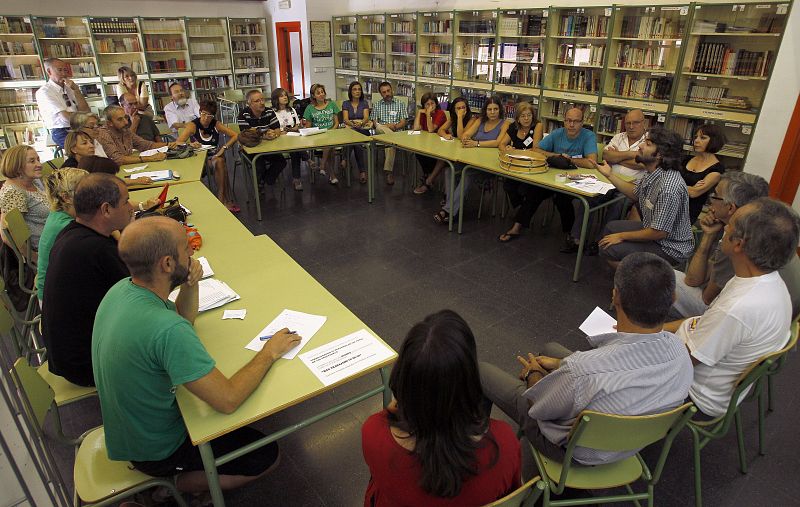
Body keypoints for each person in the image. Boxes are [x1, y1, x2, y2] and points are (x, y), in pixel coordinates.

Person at [93, 216, 302, 496]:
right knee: (267, 455)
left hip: (127, 433)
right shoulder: (168, 331)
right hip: (158, 451)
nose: (193, 252)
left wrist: (191, 284)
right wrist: (269, 352)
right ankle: (170, 488)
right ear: (167, 264)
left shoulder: (123, 290)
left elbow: (184, 318)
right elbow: (227, 400)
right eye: (186, 248)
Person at [479, 252, 693, 464]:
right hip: (631, 446)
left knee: (482, 372)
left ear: (616, 295)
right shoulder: (681, 352)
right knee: (550, 349)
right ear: (673, 298)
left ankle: (475, 448)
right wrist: (560, 365)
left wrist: (533, 374)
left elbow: (538, 408)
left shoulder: (581, 370)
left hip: (576, 454)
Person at [362, 310, 521, 506]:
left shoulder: (373, 432)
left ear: (404, 377)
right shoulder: (505, 443)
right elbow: (510, 493)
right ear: (469, 379)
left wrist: (395, 410)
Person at [664, 198, 800, 418]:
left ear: (739, 244)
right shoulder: (768, 281)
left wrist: (637, 342)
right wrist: (658, 330)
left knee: (608, 370)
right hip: (711, 375)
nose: (725, 226)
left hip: (694, 395)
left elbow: (683, 360)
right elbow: (702, 322)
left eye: (731, 224)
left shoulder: (739, 307)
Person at [41, 173, 133, 386]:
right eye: (126, 201)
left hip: (66, 356)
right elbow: (144, 296)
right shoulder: (96, 250)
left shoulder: (71, 233)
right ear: (106, 210)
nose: (130, 207)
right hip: (87, 364)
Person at [673, 171, 800, 320]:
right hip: (778, 318)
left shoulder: (740, 242)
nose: (710, 201)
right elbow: (699, 278)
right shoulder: (763, 228)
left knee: (662, 276)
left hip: (751, 319)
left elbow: (704, 294)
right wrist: (709, 235)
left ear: (731, 208)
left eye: (715, 195)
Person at [596, 128, 694, 268]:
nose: (640, 146)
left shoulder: (668, 187)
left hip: (669, 248)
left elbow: (658, 232)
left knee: (610, 248)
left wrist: (621, 236)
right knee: (611, 228)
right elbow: (636, 193)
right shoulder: (654, 171)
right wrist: (609, 174)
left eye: (647, 144)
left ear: (659, 155)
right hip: (655, 232)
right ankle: (632, 275)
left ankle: (642, 280)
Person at [564, 109, 648, 254]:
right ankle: (576, 239)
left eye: (635, 123)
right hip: (607, 180)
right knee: (588, 198)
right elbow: (607, 156)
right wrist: (631, 155)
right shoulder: (618, 137)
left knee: (618, 204)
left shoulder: (649, 141)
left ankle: (600, 242)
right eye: (628, 123)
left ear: (644, 123)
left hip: (631, 187)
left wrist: (618, 157)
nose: (631, 126)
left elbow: (644, 163)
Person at [434, 96, 509, 225]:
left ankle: (448, 211)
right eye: (489, 109)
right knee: (449, 171)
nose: (492, 112)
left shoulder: (505, 123)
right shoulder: (480, 121)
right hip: (471, 159)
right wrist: (466, 138)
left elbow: (498, 142)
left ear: (500, 110)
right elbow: (465, 134)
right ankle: (452, 207)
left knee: (467, 175)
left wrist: (476, 143)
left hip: (489, 164)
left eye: (495, 109)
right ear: (485, 110)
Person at [533, 107, 598, 253]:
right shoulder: (557, 133)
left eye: (576, 121)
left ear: (582, 123)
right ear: (564, 121)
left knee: (561, 197)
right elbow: (536, 150)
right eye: (568, 121)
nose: (571, 125)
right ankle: (518, 225)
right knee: (533, 189)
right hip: (555, 177)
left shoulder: (589, 136)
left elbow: (591, 163)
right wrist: (557, 156)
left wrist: (570, 160)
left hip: (578, 181)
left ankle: (571, 233)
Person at [175, 100, 239, 212]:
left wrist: (224, 148)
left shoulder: (216, 124)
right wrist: (191, 144)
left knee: (219, 161)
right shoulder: (193, 125)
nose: (205, 118)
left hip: (213, 158)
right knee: (220, 163)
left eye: (209, 115)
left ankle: (221, 199)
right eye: (203, 114)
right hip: (198, 160)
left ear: (213, 116)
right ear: (199, 112)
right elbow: (178, 143)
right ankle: (223, 200)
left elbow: (235, 135)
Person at [36, 168, 88, 303]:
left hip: (60, 288)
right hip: (55, 299)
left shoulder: (61, 214)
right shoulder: (66, 226)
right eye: (87, 190)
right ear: (66, 197)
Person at [496, 102, 544, 242]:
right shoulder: (513, 127)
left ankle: (517, 224)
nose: (526, 118)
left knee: (528, 191)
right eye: (523, 116)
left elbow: (535, 148)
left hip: (532, 168)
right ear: (517, 118)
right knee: (508, 186)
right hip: (516, 167)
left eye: (529, 115)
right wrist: (507, 149)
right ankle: (522, 211)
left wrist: (515, 151)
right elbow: (501, 144)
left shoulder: (537, 126)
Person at [0, 145, 48, 251]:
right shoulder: (13, 192)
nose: (39, 164)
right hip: (46, 250)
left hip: (58, 240)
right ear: (17, 166)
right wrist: (34, 258)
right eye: (32, 161)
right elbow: (8, 236)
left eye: (38, 160)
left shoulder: (34, 181)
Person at [236, 89, 287, 190]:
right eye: (257, 101)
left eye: (262, 99)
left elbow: (277, 129)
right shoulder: (243, 114)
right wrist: (264, 135)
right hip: (251, 148)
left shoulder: (269, 111)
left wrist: (273, 134)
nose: (262, 103)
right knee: (259, 165)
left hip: (268, 146)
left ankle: (265, 179)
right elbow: (248, 136)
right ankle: (259, 185)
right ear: (249, 103)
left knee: (281, 161)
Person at [35, 58, 90, 148]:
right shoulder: (45, 92)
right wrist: (84, 119)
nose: (64, 74)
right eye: (59, 70)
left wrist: (76, 90)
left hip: (80, 126)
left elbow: (86, 111)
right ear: (49, 72)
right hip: (61, 130)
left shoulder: (70, 87)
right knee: (83, 147)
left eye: (65, 70)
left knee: (103, 140)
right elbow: (66, 117)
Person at [95, 105, 174, 166]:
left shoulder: (124, 130)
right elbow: (118, 159)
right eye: (120, 119)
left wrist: (169, 144)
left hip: (129, 167)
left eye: (125, 117)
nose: (126, 122)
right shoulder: (103, 134)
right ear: (109, 123)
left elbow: (146, 145)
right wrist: (150, 158)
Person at [680, 124, 726, 224]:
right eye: (696, 137)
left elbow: (694, 193)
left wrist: (673, 184)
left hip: (687, 213)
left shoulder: (717, 169)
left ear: (714, 140)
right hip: (668, 205)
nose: (696, 141)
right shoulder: (685, 159)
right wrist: (689, 187)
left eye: (703, 138)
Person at [303, 83, 340, 185]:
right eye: (318, 93)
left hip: (332, 132)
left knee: (329, 145)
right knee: (330, 147)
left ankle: (323, 166)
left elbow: (336, 122)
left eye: (322, 92)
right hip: (318, 135)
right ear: (313, 96)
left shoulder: (332, 104)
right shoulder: (309, 108)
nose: (321, 94)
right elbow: (308, 127)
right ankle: (331, 174)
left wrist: (331, 130)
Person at [372, 82, 408, 185]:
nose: (387, 93)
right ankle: (389, 173)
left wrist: (395, 126)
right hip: (380, 132)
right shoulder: (377, 105)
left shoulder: (400, 104)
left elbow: (403, 122)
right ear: (381, 94)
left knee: (390, 142)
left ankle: (388, 172)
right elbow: (375, 122)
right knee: (379, 127)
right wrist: (388, 126)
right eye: (384, 92)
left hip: (396, 133)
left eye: (388, 91)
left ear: (392, 90)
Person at [411, 93, 447, 195]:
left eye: (432, 103)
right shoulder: (422, 113)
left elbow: (431, 130)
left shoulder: (440, 113)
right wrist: (419, 113)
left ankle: (428, 179)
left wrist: (427, 114)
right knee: (418, 152)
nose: (430, 106)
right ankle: (428, 175)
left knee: (433, 157)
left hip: (440, 144)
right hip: (427, 143)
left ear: (436, 104)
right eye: (427, 104)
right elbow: (416, 128)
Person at [271, 87, 304, 191]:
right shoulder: (272, 112)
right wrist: (280, 132)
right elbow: (272, 128)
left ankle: (296, 179)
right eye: (281, 96)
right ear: (276, 99)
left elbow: (297, 126)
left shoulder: (292, 110)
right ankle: (308, 160)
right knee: (297, 150)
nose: (285, 97)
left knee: (295, 152)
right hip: (278, 140)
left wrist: (292, 129)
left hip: (292, 137)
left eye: (285, 95)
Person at [341, 81, 371, 185]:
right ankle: (362, 171)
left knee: (353, 138)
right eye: (354, 89)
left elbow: (366, 118)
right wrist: (353, 124)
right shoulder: (346, 103)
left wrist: (361, 123)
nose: (357, 91)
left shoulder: (364, 103)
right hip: (351, 129)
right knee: (356, 142)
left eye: (359, 89)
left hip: (362, 129)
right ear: (350, 91)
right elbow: (345, 119)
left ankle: (345, 158)